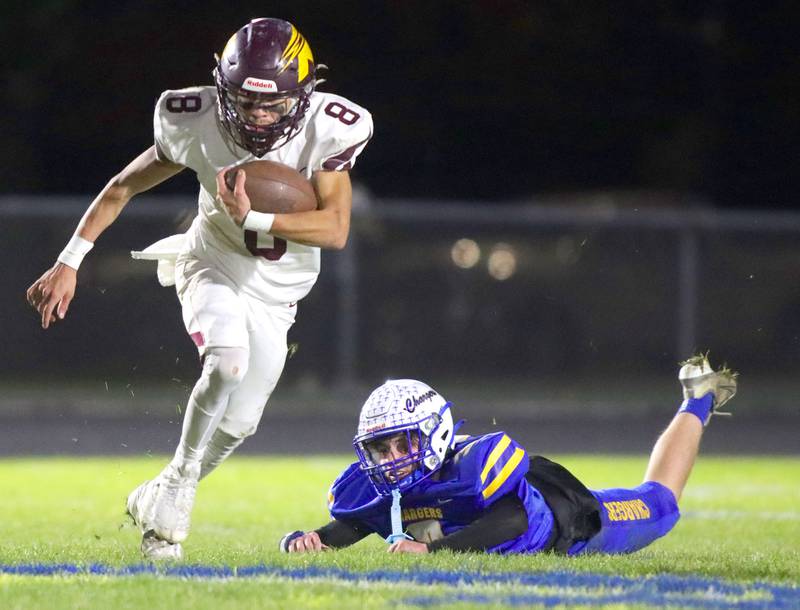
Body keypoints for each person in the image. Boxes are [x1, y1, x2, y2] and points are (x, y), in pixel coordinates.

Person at [25, 18, 373, 560]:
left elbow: (335, 229)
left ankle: (161, 492)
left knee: (238, 423)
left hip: (278, 295)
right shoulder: (194, 119)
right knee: (227, 362)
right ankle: (174, 504)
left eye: (273, 105)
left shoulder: (330, 129)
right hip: (210, 263)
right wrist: (71, 259)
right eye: (246, 102)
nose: (258, 116)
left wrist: (254, 215)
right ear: (223, 88)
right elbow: (122, 187)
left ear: (304, 95)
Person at [280, 354, 737, 555]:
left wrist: (430, 552)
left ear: (434, 434)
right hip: (524, 518)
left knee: (660, 502)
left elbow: (511, 522)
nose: (392, 458)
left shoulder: (474, 465)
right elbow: (359, 519)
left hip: (570, 522)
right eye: (381, 449)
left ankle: (698, 398)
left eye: (403, 444)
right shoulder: (387, 486)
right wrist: (315, 539)